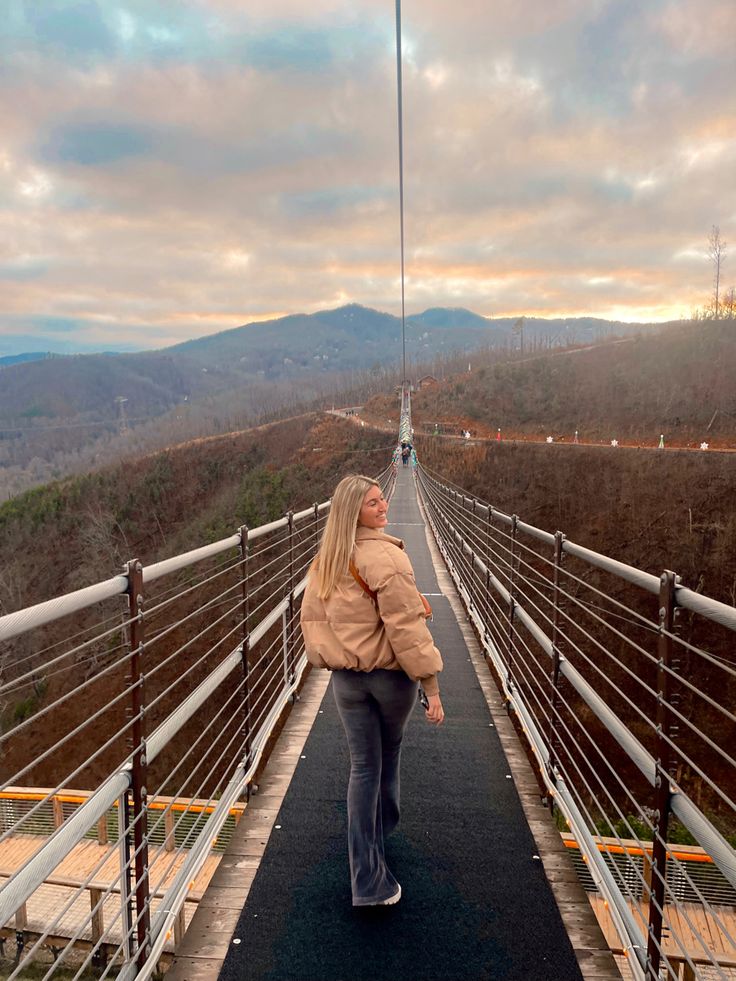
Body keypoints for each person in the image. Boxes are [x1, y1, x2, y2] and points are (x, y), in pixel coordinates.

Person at [300, 474, 444, 907]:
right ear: (354, 512)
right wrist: (431, 685)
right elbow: (406, 629)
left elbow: (312, 620)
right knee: (385, 759)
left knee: (363, 766)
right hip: (387, 680)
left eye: (383, 500)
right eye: (373, 504)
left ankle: (367, 872)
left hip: (345, 682)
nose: (384, 507)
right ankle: (379, 841)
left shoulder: (325, 559)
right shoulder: (387, 558)